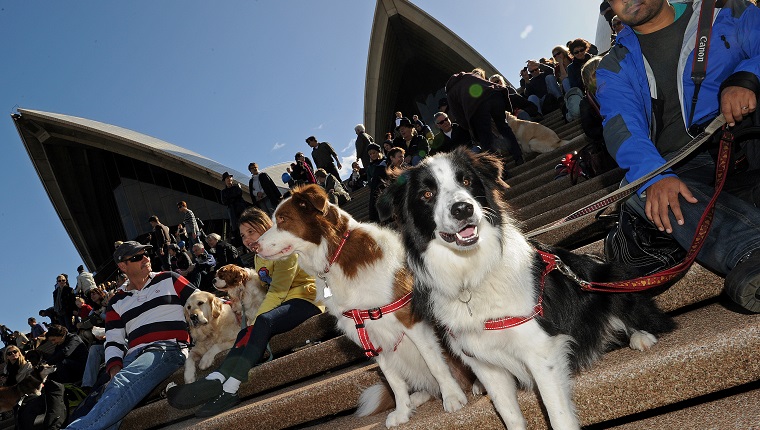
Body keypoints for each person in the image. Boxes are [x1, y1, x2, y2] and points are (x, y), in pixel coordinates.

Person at [596, 0, 760, 312]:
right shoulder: (613, 66)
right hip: (683, 165)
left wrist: (747, 77)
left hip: (747, 136)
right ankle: (752, 247)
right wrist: (656, 175)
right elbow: (621, 127)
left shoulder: (725, 10)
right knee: (638, 188)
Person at [166, 207, 323, 417]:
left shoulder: (285, 248)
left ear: (265, 226)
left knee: (262, 322)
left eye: (251, 231)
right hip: (280, 306)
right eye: (242, 235)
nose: (247, 238)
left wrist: (256, 320)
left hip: (305, 299)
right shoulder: (259, 257)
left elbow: (278, 291)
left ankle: (230, 387)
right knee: (244, 332)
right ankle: (218, 378)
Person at [66, 241, 196, 429]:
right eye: (137, 257)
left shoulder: (170, 278)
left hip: (168, 347)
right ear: (122, 266)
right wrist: (113, 370)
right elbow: (113, 341)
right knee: (111, 398)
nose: (145, 258)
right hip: (133, 356)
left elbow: (203, 302)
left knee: (120, 385)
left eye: (145, 254)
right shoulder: (116, 301)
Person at [446, 68, 524, 164]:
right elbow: (488, 84)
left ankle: (499, 169)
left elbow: (457, 114)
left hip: (477, 106)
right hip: (495, 96)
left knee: (485, 138)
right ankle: (518, 156)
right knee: (504, 127)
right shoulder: (469, 76)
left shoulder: (450, 93)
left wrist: (468, 127)